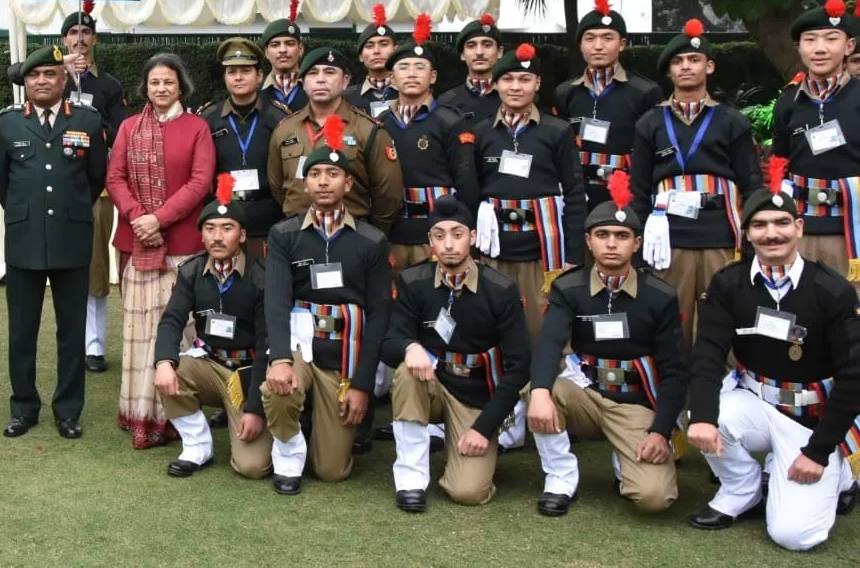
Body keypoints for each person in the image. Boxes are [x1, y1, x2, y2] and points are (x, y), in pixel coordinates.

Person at [686, 163, 860, 550]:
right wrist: (701, 417)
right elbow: (708, 353)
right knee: (711, 414)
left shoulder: (831, 290)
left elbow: (854, 376)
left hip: (812, 419)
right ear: (747, 233)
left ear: (799, 227)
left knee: (795, 536)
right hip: (757, 403)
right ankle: (741, 489)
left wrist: (817, 452)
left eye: (782, 222)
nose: (772, 233)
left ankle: (841, 472)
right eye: (760, 225)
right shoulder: (728, 283)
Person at [527, 172, 686, 517]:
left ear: (637, 243)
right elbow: (550, 343)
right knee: (540, 391)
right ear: (588, 241)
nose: (611, 243)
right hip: (585, 393)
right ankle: (560, 479)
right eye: (602, 235)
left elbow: (675, 371)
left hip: (635, 403)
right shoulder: (568, 288)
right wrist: (539, 391)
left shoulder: (660, 296)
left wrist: (660, 432)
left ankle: (624, 460)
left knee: (654, 498)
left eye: (621, 236)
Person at [261, 127, 392, 493]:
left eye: (333, 175)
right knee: (277, 388)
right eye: (315, 175)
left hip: (344, 357)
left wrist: (363, 384)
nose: (323, 183)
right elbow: (276, 300)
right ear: (305, 185)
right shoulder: (285, 235)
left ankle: (321, 428)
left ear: (348, 184)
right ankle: (289, 452)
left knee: (332, 470)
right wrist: (281, 359)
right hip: (302, 348)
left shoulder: (371, 241)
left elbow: (380, 314)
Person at [0, 45, 108, 440]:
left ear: (64, 78)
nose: (42, 80)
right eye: (34, 75)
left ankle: (68, 410)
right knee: (22, 331)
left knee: (71, 331)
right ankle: (23, 407)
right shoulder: (7, 123)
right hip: (24, 239)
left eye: (50, 74)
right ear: (24, 82)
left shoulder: (89, 121)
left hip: (71, 239)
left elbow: (95, 180)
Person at [383, 195, 530, 512]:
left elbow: (519, 367)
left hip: (476, 394)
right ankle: (411, 479)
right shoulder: (414, 281)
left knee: (467, 492)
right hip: (432, 384)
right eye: (440, 235)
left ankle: (475, 439)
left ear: (473, 237)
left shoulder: (501, 290)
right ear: (430, 240)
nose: (448, 244)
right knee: (407, 374)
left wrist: (484, 427)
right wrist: (410, 347)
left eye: (457, 234)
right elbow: (390, 340)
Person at [105, 52, 217, 449]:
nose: (161, 89)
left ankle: (180, 417)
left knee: (181, 332)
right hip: (137, 243)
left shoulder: (197, 127)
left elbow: (201, 182)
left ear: (180, 85)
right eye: (154, 83)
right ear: (145, 87)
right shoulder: (129, 127)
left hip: (183, 245)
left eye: (168, 82)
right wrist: (140, 217)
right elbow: (114, 177)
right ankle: (139, 413)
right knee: (139, 334)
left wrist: (160, 218)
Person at [630, 19, 763, 348]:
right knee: (672, 317)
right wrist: (637, 243)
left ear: (710, 65)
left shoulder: (732, 120)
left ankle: (721, 388)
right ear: (669, 72)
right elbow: (639, 187)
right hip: (668, 238)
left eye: (693, 60)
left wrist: (752, 238)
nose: (686, 67)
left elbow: (752, 182)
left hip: (720, 233)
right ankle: (675, 389)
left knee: (720, 314)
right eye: (677, 62)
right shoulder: (650, 122)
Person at [152, 175, 272, 479]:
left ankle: (268, 423)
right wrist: (164, 362)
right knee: (170, 370)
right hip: (209, 363)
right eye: (210, 229)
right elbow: (172, 320)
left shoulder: (261, 277)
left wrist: (256, 409)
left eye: (227, 229)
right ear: (202, 236)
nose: (217, 237)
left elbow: (267, 344)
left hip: (248, 373)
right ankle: (197, 446)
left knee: (252, 467)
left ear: (243, 236)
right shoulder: (191, 271)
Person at [473, 43, 588, 341]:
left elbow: (575, 192)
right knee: (495, 327)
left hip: (543, 251)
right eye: (508, 79)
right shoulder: (481, 132)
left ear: (537, 83)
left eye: (524, 80)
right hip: (496, 251)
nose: (515, 87)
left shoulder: (557, 131)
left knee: (541, 328)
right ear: (495, 84)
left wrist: (575, 253)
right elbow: (472, 192)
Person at [58, 1, 130, 377]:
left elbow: (121, 131)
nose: (79, 40)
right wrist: (63, 73)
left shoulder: (109, 86)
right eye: (73, 33)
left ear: (95, 40)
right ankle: (67, 341)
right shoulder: (50, 77)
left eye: (86, 33)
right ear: (63, 40)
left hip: (94, 189)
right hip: (54, 187)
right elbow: (18, 76)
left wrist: (90, 124)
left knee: (95, 269)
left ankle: (94, 345)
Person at [378, 15, 479, 272]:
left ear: (433, 76)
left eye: (420, 67)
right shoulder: (379, 124)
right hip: (394, 232)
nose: (411, 74)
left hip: (438, 232)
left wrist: (463, 231)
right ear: (391, 78)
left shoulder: (450, 122)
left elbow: (465, 181)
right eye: (403, 67)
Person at [267, 45, 403, 231]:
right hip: (298, 232)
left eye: (330, 72)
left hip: (352, 232)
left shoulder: (366, 129)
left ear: (345, 81)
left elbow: (388, 193)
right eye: (313, 73)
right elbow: (277, 186)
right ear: (303, 82)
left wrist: (373, 234)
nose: (321, 80)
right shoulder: (285, 130)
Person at [552, 0, 663, 210]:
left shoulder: (645, 92)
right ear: (580, 45)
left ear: (622, 44)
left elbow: (655, 150)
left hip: (627, 195)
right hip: (578, 194)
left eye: (607, 38)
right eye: (590, 38)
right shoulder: (565, 92)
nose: (598, 46)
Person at [772, 0, 860, 282]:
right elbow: (780, 162)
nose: (820, 49)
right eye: (810, 40)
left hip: (852, 231)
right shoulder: (788, 102)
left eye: (831, 39)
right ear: (799, 47)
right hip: (800, 229)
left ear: (849, 46)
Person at [200, 37, 286, 261]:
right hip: (225, 220)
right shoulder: (209, 118)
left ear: (259, 75)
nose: (238, 77)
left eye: (246, 70)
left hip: (269, 221)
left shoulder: (279, 117)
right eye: (231, 71)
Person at [438, 14, 503, 121]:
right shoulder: (447, 101)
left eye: (487, 45)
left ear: (500, 52)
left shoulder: (514, 97)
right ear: (463, 54)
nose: (479, 52)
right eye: (471, 46)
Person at [346, 3, 400, 119]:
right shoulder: (347, 97)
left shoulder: (409, 92)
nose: (376, 51)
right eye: (369, 46)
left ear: (396, 50)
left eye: (384, 44)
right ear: (360, 56)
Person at [258, 0, 307, 116]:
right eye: (275, 45)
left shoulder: (316, 88)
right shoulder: (254, 92)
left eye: (290, 43)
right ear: (266, 52)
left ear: (300, 49)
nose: (282, 50)